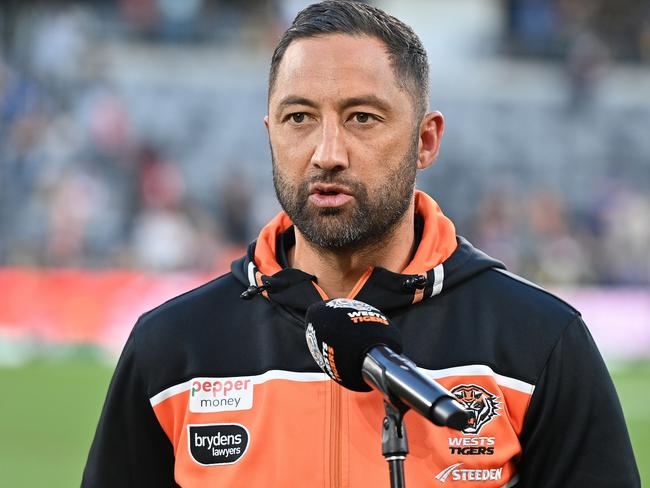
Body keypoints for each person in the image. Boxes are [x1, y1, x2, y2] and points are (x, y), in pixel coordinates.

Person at [82, 2, 640, 486]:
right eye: (299, 117)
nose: (328, 152)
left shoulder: (538, 342)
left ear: (425, 141)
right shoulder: (173, 348)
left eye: (362, 118)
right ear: (270, 134)